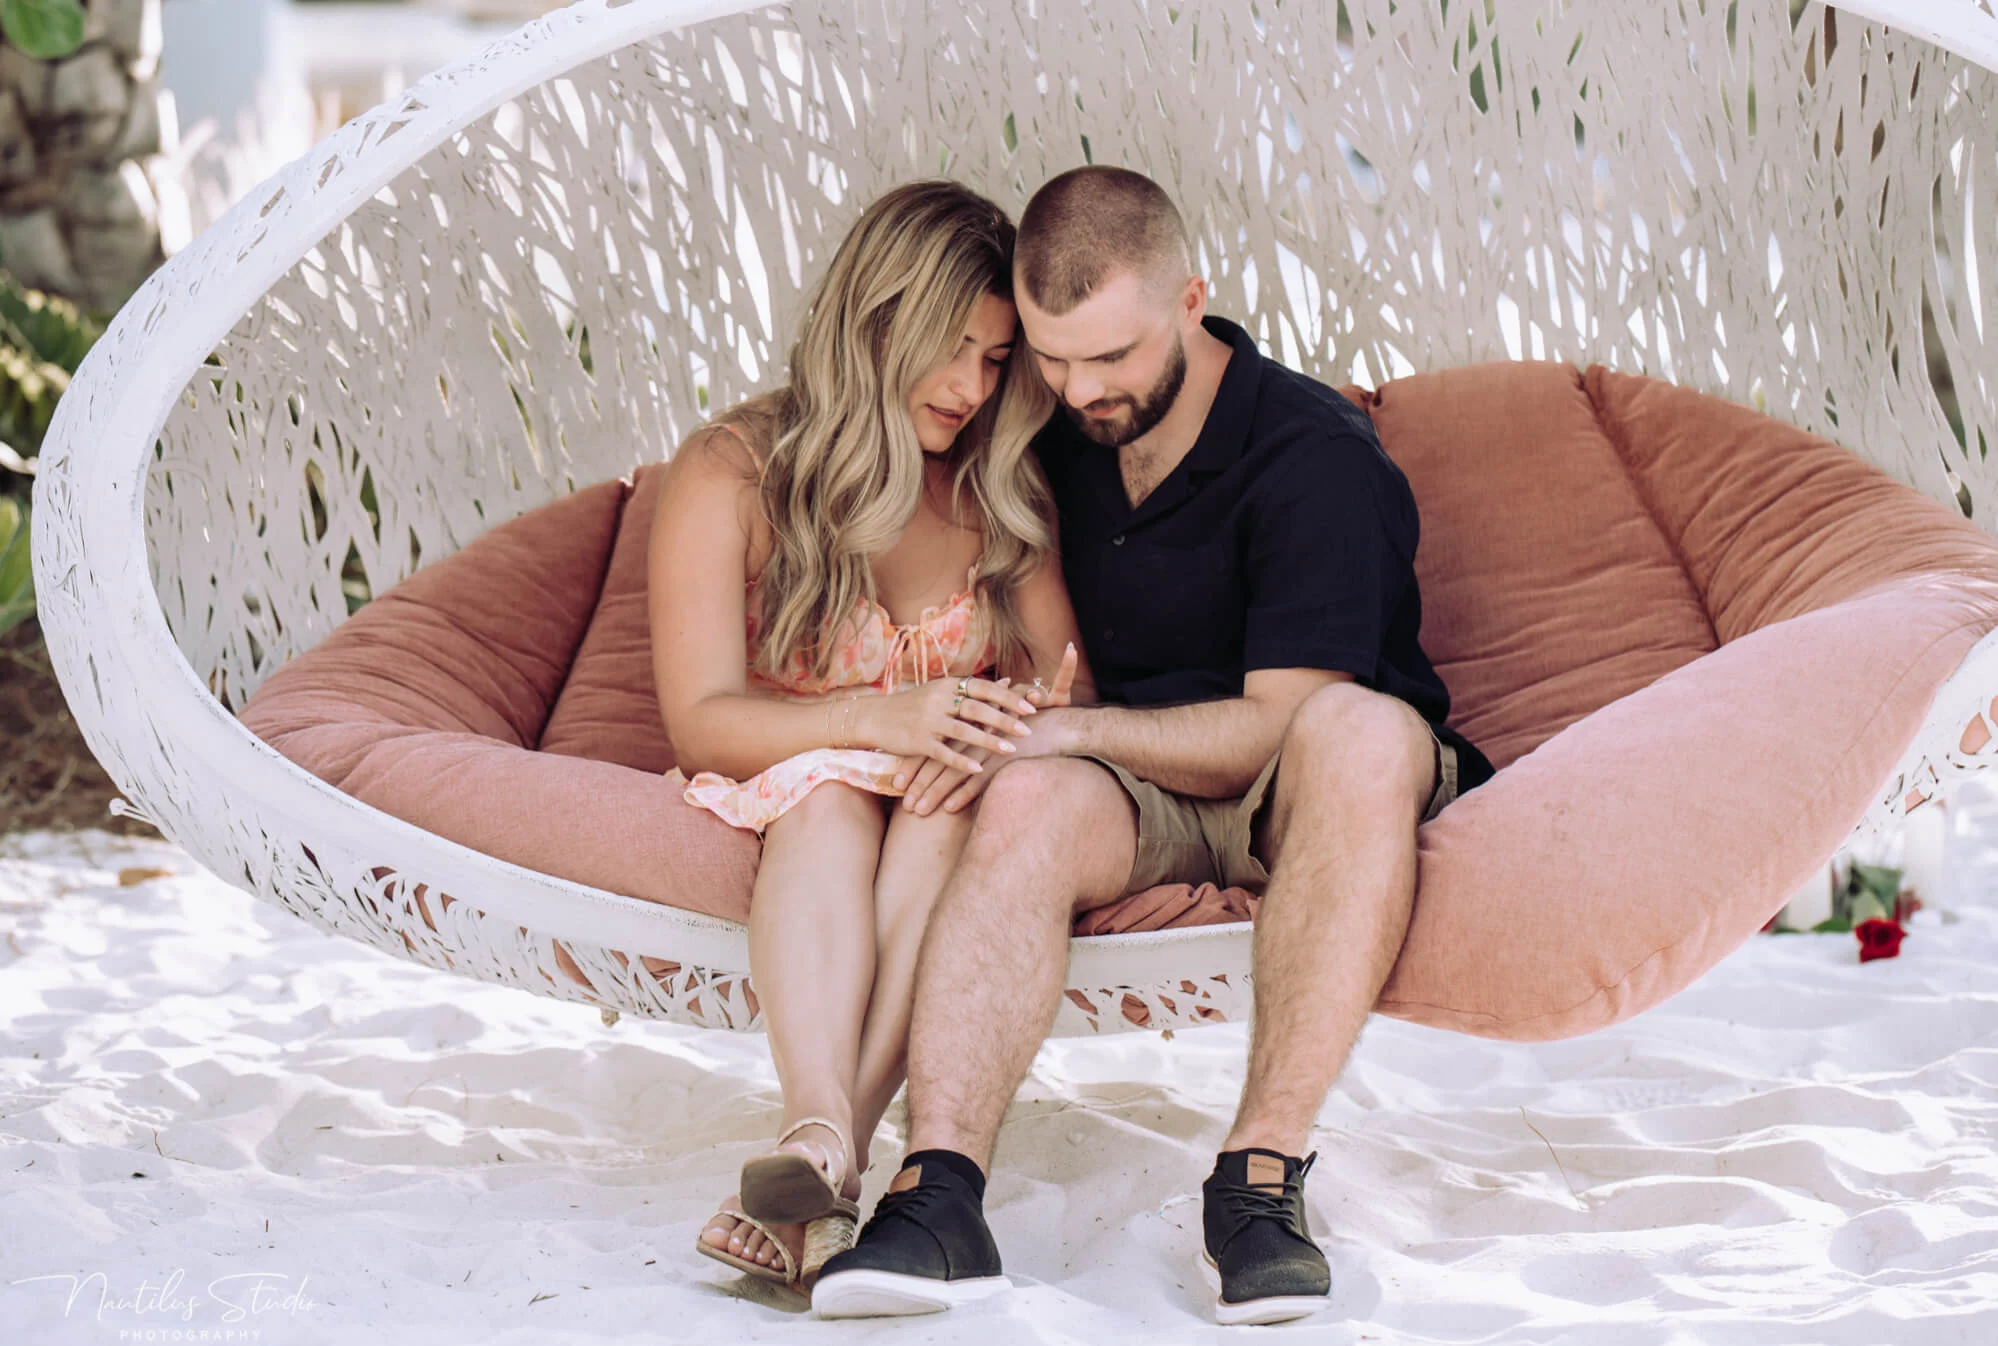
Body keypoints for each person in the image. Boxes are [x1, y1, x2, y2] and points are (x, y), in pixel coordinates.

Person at [810, 166, 1498, 1326]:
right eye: (1052, 356)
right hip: (1139, 783)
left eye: (1111, 357)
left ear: (1192, 299)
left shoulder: (1313, 454)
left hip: (1312, 774)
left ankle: (1259, 1182)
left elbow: (1280, 725)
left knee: (1360, 732)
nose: (1080, 389)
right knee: (1028, 803)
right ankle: (938, 1192)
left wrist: (1057, 727)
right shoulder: (1049, 430)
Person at [648, 179, 1095, 1297]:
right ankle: (823, 1122)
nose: (969, 387)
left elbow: (1067, 678)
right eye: (949, 348)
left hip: (949, 793)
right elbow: (699, 715)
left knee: (942, 811)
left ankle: (820, 1152)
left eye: (996, 359)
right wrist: (874, 717)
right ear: (872, 318)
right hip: (806, 779)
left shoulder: (998, 486)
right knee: (828, 795)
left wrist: (1007, 727)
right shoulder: (735, 472)